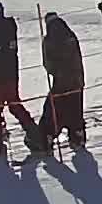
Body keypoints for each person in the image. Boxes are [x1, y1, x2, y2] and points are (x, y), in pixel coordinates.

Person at [0, 0, 39, 155]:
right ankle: (34, 133)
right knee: (14, 106)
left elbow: (3, 54)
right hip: (9, 73)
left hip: (3, 76)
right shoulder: (5, 27)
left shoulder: (2, 29)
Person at [31, 12, 86, 153]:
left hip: (61, 82)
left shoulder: (49, 40)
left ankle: (46, 138)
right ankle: (77, 136)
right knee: (75, 111)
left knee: (53, 111)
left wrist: (54, 70)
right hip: (77, 80)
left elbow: (49, 65)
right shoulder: (70, 35)